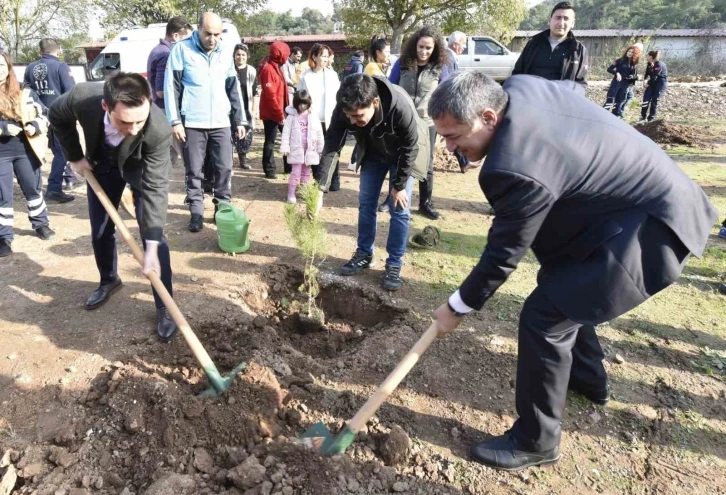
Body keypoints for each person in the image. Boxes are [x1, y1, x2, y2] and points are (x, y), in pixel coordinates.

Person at [428, 71, 717, 471]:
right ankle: (588, 380)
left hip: (652, 229)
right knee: (563, 286)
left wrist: (459, 305)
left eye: (455, 136)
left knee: (545, 317)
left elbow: (504, 252)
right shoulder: (519, 87)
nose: (450, 146)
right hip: (625, 209)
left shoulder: (513, 164)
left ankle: (536, 441)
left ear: (489, 116)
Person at [49, 72, 179, 341]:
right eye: (124, 122)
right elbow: (57, 115)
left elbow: (155, 190)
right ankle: (109, 279)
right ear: (105, 106)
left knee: (153, 236)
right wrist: (74, 156)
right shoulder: (82, 97)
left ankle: (164, 304)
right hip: (102, 165)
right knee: (100, 229)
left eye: (139, 121)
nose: (133, 129)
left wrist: (151, 247)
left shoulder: (157, 128)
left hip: (141, 167)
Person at [314, 74, 430, 291]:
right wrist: (320, 188)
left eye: (358, 116)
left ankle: (394, 262)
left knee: (399, 209)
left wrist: (398, 186)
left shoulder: (400, 108)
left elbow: (411, 147)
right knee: (366, 202)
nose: (352, 121)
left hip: (403, 155)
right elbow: (332, 146)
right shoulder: (344, 109)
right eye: (349, 116)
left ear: (374, 102)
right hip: (373, 152)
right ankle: (365, 253)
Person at [165, 12, 247, 233]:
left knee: (224, 168)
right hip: (192, 122)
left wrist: (239, 119)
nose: (212, 39)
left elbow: (233, 87)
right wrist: (175, 121)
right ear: (197, 30)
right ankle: (196, 212)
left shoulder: (225, 52)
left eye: (217, 34)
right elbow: (171, 88)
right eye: (208, 33)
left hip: (221, 122)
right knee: (194, 170)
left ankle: (222, 209)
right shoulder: (181, 50)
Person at [389, 27, 451, 220]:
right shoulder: (402, 63)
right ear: (414, 45)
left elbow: (445, 94)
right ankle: (391, 198)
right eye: (421, 46)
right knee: (399, 159)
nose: (424, 51)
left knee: (426, 165)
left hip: (427, 123)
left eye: (428, 48)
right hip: (402, 120)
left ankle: (425, 203)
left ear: (435, 49)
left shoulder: (440, 68)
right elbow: (391, 87)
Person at [0, 51, 55, 257]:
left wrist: (34, 125)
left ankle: (41, 224)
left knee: (33, 188)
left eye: (2, 65)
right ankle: (4, 236)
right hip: (0, 153)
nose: (0, 69)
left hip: (25, 148)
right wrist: (3, 129)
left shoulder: (24, 91)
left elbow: (44, 113)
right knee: (2, 196)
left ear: (9, 67)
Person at [24, 38, 78, 203]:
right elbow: (71, 92)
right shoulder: (61, 67)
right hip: (59, 115)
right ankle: (54, 188)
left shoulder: (30, 67)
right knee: (62, 151)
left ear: (40, 51)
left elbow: (27, 92)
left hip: (37, 117)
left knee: (49, 150)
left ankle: (68, 177)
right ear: (58, 51)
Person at [146, 16, 193, 167]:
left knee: (168, 155)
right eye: (186, 39)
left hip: (160, 110)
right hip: (166, 110)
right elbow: (161, 91)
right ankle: (197, 186)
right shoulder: (166, 54)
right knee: (187, 153)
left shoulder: (158, 50)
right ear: (176, 36)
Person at [512, 1, 588, 94]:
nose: (561, 23)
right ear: (549, 21)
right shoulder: (534, 43)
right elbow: (518, 73)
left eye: (566, 18)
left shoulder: (578, 50)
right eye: (558, 18)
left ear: (572, 23)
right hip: (531, 97)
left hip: (560, 101)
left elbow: (580, 84)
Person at [297, 44, 341, 190]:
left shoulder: (332, 75)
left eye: (327, 56)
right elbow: (299, 98)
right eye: (322, 55)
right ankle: (319, 180)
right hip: (313, 120)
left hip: (331, 119)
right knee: (314, 150)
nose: (325, 58)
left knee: (332, 150)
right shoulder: (305, 76)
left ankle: (334, 181)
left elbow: (338, 96)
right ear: (314, 57)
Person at [280, 90, 324, 203]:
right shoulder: (291, 117)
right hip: (296, 149)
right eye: (300, 104)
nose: (302, 106)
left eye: (304, 104)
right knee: (295, 172)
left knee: (306, 173)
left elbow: (319, 133)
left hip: (310, 150)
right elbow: (285, 133)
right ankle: (291, 193)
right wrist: (285, 146)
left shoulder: (313, 117)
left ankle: (303, 192)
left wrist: (320, 148)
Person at [258, 41, 291, 179]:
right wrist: (279, 115)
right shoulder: (268, 69)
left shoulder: (277, 66)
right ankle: (269, 169)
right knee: (270, 141)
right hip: (272, 112)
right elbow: (271, 95)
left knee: (288, 139)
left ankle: (289, 166)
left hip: (282, 110)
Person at [232, 44, 258, 170]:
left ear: (247, 56)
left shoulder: (251, 71)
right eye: (238, 54)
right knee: (230, 135)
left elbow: (255, 92)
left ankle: (243, 159)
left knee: (246, 134)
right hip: (231, 108)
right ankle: (228, 161)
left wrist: (254, 110)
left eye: (243, 55)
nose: (240, 57)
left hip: (246, 107)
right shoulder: (229, 69)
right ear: (234, 55)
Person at [603, 43, 641, 117]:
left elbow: (636, 76)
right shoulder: (620, 60)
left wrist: (631, 76)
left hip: (626, 84)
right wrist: (617, 73)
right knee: (610, 98)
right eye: (629, 51)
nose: (630, 53)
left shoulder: (634, 64)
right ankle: (604, 114)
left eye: (632, 52)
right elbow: (609, 69)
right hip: (616, 82)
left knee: (620, 100)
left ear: (635, 54)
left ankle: (616, 115)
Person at [641, 50, 668, 122]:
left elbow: (654, 77)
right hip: (652, 83)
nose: (646, 57)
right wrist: (644, 81)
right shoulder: (649, 64)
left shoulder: (659, 64)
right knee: (646, 99)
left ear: (650, 56)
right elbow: (647, 74)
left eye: (647, 56)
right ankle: (643, 117)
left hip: (660, 84)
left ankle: (651, 118)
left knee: (654, 101)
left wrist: (647, 84)